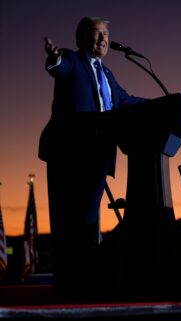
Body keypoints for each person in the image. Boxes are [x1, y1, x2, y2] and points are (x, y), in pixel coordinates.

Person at [39, 16, 147, 292]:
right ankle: (67, 283)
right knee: (67, 219)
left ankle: (84, 278)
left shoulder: (107, 73)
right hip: (69, 153)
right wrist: (54, 58)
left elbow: (125, 101)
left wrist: (169, 103)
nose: (103, 40)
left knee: (88, 218)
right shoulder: (73, 60)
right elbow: (58, 66)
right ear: (82, 39)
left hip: (98, 154)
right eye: (97, 34)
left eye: (106, 35)